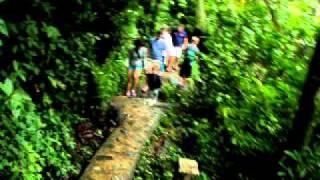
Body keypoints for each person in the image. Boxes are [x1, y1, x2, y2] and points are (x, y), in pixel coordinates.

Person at [142, 31, 166, 97]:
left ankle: (154, 89)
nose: (158, 36)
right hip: (150, 59)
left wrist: (163, 63)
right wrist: (147, 57)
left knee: (155, 74)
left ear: (161, 35)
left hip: (158, 60)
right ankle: (147, 86)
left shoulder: (163, 42)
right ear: (156, 34)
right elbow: (148, 49)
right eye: (157, 34)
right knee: (148, 73)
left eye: (159, 34)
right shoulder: (151, 40)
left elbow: (164, 53)